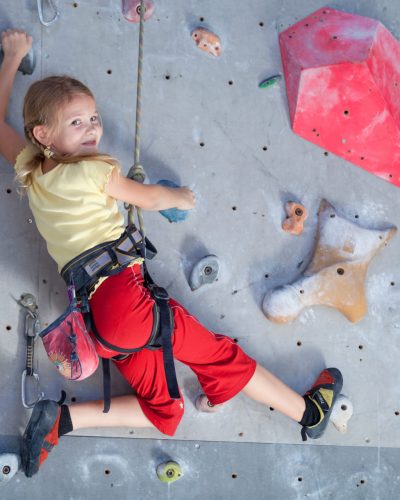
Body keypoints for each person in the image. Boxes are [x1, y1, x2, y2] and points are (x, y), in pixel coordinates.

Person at [0, 29, 343, 478]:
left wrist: (12, 57)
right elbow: (148, 198)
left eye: (93, 118)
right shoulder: (91, 170)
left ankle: (63, 421)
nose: (93, 129)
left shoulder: (31, 170)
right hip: (125, 304)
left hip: (99, 318)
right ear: (44, 133)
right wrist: (179, 197)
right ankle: (308, 414)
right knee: (221, 356)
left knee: (165, 413)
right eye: (77, 123)